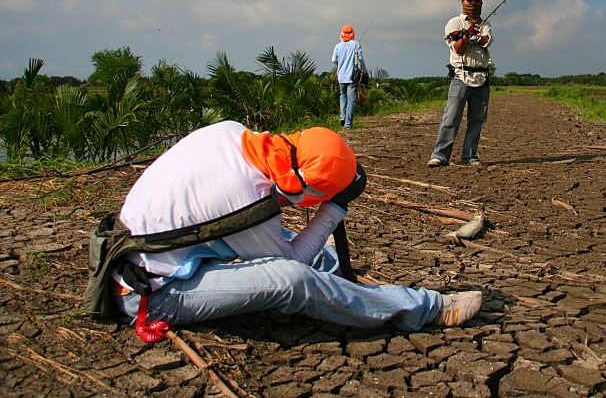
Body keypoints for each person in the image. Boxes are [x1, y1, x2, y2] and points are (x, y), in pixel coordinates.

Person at [110, 120, 482, 337]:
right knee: (294, 279)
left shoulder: (231, 132)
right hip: (149, 294)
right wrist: (334, 208)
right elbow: (293, 264)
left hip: (149, 249)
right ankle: (424, 309)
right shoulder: (247, 199)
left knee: (319, 256)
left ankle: (342, 291)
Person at [428, 0, 493, 167]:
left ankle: (470, 156)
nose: (473, 3)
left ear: (481, 2)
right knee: (451, 117)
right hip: (460, 77)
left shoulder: (485, 24)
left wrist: (475, 36)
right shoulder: (453, 23)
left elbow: (487, 40)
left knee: (477, 120)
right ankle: (440, 155)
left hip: (482, 78)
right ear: (463, 1)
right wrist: (467, 35)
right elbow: (458, 48)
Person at [332, 24, 367, 129]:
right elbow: (360, 58)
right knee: (351, 100)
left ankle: (342, 116)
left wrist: (340, 64)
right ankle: (348, 124)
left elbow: (333, 60)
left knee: (342, 95)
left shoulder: (337, 46)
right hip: (353, 77)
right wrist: (365, 70)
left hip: (341, 77)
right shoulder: (356, 44)